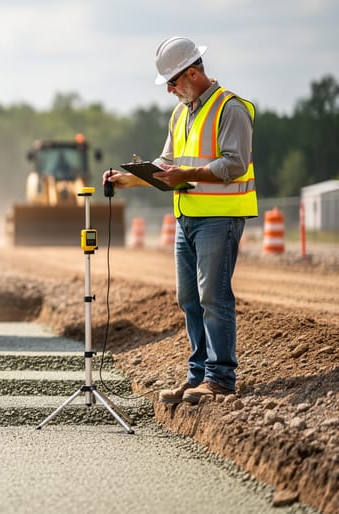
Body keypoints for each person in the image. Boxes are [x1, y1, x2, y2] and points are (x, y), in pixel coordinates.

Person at [103, 36, 257, 405]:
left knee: (213, 296)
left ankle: (220, 378)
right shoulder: (181, 113)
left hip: (219, 218)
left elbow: (234, 164)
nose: (170, 90)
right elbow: (166, 162)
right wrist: (130, 179)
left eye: (172, 82)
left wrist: (186, 172)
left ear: (191, 72)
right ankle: (198, 375)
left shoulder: (230, 108)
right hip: (187, 218)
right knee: (189, 297)